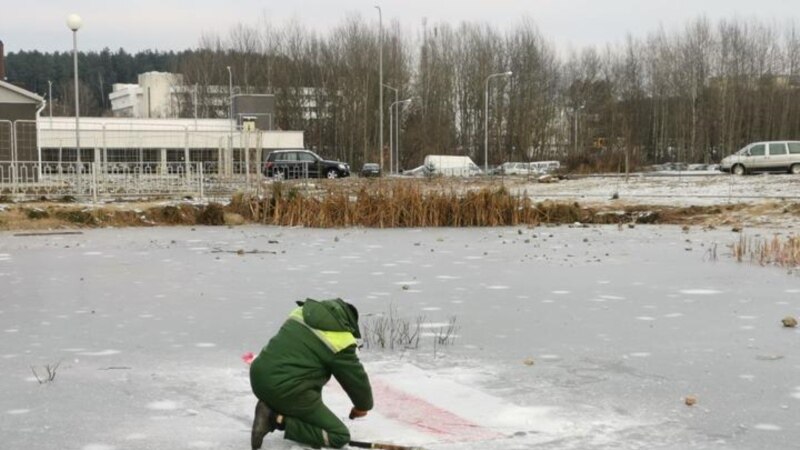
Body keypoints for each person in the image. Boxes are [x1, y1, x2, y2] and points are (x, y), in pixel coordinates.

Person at [249, 298, 373, 449]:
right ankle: (274, 419)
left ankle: (273, 409)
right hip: (286, 389)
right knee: (339, 436)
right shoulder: (340, 340)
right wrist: (362, 406)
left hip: (258, 376)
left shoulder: (301, 313)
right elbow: (356, 380)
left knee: (308, 376)